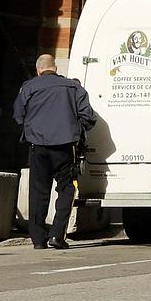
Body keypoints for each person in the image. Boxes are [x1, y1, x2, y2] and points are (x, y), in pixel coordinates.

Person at [12, 54, 96, 249]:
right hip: (65, 147)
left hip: (38, 146)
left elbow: (18, 115)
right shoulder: (73, 87)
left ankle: (38, 240)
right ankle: (57, 235)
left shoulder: (29, 87)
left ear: (38, 69)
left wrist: (34, 128)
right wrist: (76, 129)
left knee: (39, 191)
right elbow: (89, 117)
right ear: (55, 68)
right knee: (67, 189)